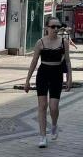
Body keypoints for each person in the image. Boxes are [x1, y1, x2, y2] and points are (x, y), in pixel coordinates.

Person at [24, 17, 72, 147]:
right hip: (43, 73)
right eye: (53, 27)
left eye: (58, 27)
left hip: (57, 74)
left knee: (53, 107)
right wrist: (27, 80)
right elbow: (34, 62)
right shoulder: (40, 42)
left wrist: (69, 78)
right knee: (42, 105)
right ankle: (42, 136)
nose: (56, 29)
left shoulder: (64, 42)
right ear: (46, 28)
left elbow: (67, 61)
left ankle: (54, 125)